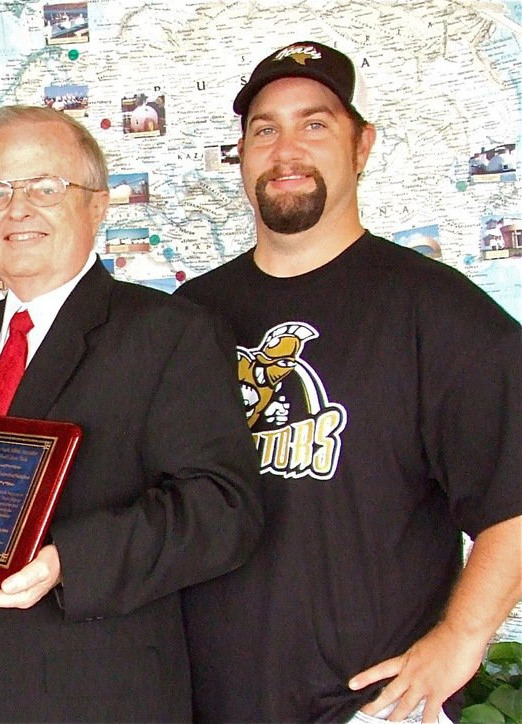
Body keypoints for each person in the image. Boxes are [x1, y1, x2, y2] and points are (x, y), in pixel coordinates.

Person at [0, 104, 264, 722]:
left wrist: (68, 562)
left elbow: (222, 508)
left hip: (100, 693)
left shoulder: (171, 334)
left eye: (44, 187)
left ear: (99, 205)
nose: (16, 208)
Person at [177, 40, 522, 723]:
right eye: (264, 129)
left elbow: (513, 500)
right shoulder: (189, 319)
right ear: (241, 154)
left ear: (362, 146)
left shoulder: (439, 312)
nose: (286, 151)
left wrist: (460, 639)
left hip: (370, 709)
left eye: (315, 124)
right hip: (203, 701)